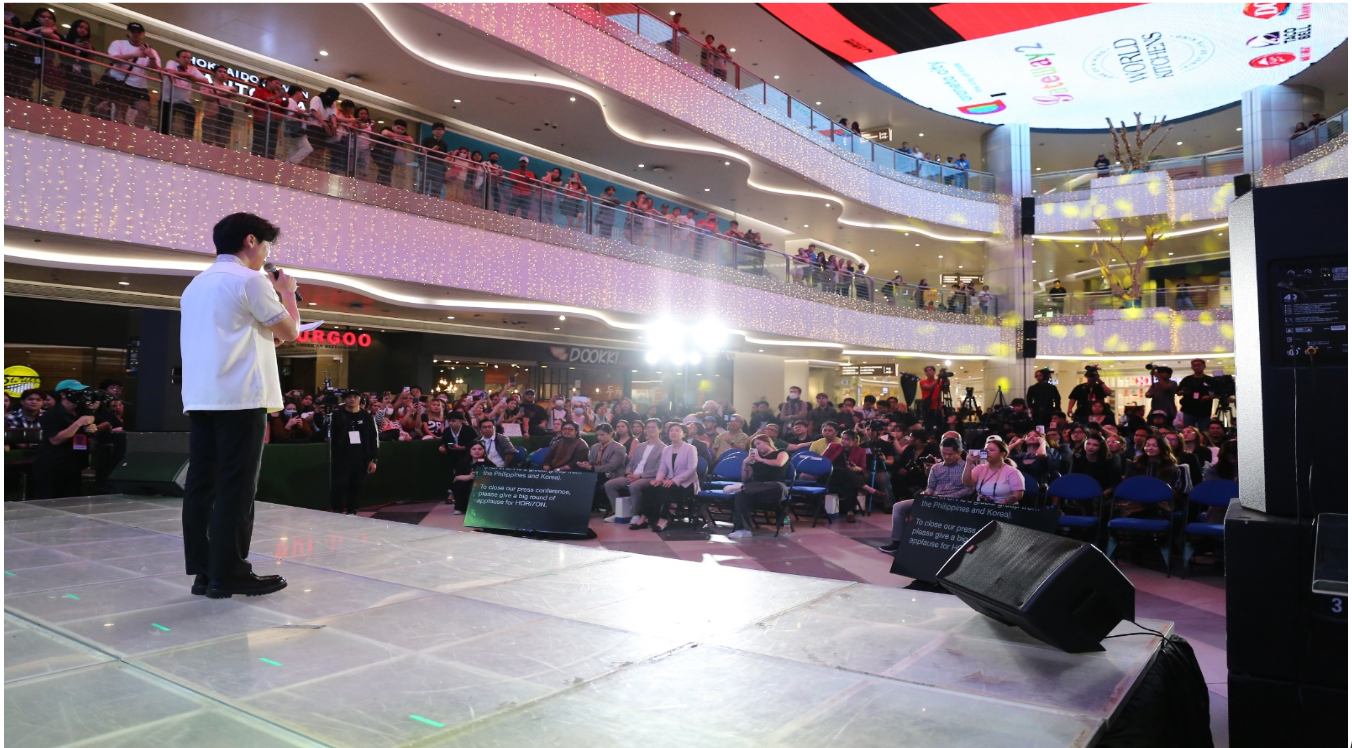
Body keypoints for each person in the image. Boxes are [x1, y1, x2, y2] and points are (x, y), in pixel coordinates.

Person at [180, 213, 298, 599]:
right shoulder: (251, 280)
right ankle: (229, 572)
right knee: (237, 487)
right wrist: (288, 293)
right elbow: (290, 332)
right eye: (267, 245)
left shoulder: (196, 285)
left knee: (202, 485)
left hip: (202, 397)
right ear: (250, 240)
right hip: (242, 397)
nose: (267, 253)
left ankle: (205, 572)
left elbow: (242, 334)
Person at [879, 436, 973, 554]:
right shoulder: (936, 468)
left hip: (955, 502)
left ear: (958, 452)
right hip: (934, 499)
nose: (947, 457)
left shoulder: (967, 467)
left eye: (950, 454)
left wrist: (948, 497)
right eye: (944, 453)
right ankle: (897, 541)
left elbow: (969, 490)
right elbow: (931, 487)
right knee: (898, 507)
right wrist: (927, 492)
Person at [32, 381, 99, 499]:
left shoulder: (81, 411)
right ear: (63, 394)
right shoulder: (51, 415)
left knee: (73, 500)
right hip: (54, 464)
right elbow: (55, 440)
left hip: (75, 463)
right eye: (77, 391)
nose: (81, 394)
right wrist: (78, 423)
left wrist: (93, 428)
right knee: (52, 499)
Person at [631, 422, 698, 532]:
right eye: (671, 430)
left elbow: (691, 469)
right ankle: (644, 517)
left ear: (684, 434)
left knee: (665, 490)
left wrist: (674, 481)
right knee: (651, 488)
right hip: (669, 481)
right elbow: (662, 468)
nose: (673, 433)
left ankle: (663, 519)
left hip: (686, 483)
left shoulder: (690, 448)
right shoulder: (666, 449)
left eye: (677, 431)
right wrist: (658, 479)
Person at [728, 434, 789, 539]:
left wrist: (761, 459)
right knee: (740, 495)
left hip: (776, 488)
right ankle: (743, 530)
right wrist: (745, 463)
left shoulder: (781, 452)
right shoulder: (755, 461)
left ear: (767, 442)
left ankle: (742, 488)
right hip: (756, 490)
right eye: (755, 446)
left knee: (775, 486)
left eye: (758, 443)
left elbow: (779, 463)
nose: (757, 447)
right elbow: (745, 479)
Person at [328, 390, 378, 515]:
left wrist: (373, 459)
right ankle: (338, 508)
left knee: (357, 484)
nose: (352, 399)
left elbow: (373, 438)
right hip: (342, 457)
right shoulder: (337, 415)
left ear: (360, 399)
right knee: (340, 484)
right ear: (344, 400)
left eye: (355, 397)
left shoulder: (366, 416)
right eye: (349, 397)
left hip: (361, 456)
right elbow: (332, 437)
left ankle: (352, 509)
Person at [103, 21, 160, 128]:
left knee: (144, 108)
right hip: (120, 81)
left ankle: (136, 134)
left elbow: (155, 69)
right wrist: (135, 54)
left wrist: (151, 57)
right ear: (128, 33)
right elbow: (113, 58)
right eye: (133, 31)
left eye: (138, 32)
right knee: (121, 107)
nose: (136, 34)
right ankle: (119, 131)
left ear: (143, 34)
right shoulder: (118, 43)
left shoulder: (151, 51)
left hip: (139, 85)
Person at [605, 419, 664, 518]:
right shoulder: (640, 446)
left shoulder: (664, 448)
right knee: (609, 484)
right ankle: (618, 513)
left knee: (634, 486)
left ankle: (635, 514)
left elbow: (659, 469)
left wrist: (639, 476)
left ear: (660, 430)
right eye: (648, 427)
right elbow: (630, 463)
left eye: (653, 427)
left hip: (648, 477)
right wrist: (628, 473)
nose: (650, 429)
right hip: (633, 475)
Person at [822, 429, 877, 522]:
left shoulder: (861, 451)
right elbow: (822, 461)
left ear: (855, 440)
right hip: (830, 476)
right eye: (842, 438)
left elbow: (862, 468)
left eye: (847, 439)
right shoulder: (833, 446)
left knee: (849, 483)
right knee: (840, 469)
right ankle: (868, 488)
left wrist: (857, 469)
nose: (843, 441)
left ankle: (850, 512)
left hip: (848, 478)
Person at [581, 423, 628, 513]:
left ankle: (590, 508)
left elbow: (612, 466)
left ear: (611, 434)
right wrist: (586, 464)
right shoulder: (595, 447)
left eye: (602, 435)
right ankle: (585, 508)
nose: (599, 437)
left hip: (612, 475)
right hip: (596, 474)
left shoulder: (619, 448)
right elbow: (592, 463)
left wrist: (592, 468)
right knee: (581, 479)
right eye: (598, 435)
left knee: (590, 482)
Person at [962, 437, 1024, 505]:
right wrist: (968, 463)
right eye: (986, 449)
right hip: (981, 506)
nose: (987, 452)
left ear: (1002, 454)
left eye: (991, 450)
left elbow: (1018, 495)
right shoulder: (979, 468)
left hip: (1004, 508)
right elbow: (967, 483)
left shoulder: (1012, 472)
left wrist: (999, 505)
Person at [449, 442, 490, 514]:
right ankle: (460, 508)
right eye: (474, 449)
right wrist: (469, 476)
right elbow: (457, 476)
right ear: (469, 451)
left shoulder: (488, 463)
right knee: (458, 484)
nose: (477, 451)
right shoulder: (463, 462)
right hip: (466, 482)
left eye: (480, 449)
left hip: (481, 483)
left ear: (484, 451)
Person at [1177, 358, 1215, 429]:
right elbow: (1178, 392)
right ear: (1192, 367)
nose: (1196, 367)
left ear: (1204, 366)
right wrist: (1183, 392)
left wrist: (1209, 397)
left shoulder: (1210, 380)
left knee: (1204, 431)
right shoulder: (1187, 380)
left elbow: (1216, 393)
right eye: (1194, 365)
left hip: (1204, 410)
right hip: (1189, 410)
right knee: (1188, 430)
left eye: (1198, 365)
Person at [917, 365, 945, 431]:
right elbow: (930, 387)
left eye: (930, 370)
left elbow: (945, 391)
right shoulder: (922, 382)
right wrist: (939, 378)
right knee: (928, 427)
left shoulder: (940, 382)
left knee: (940, 427)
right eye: (926, 371)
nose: (928, 372)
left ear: (934, 372)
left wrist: (945, 380)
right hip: (927, 407)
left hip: (937, 407)